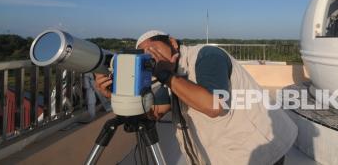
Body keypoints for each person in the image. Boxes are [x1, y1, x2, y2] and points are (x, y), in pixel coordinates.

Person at [95, 30, 297, 165]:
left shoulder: (206, 55)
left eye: (152, 49)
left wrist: (166, 75)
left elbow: (213, 105)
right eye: (145, 55)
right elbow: (154, 113)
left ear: (172, 42)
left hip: (259, 150)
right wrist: (115, 95)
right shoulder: (172, 73)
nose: (151, 57)